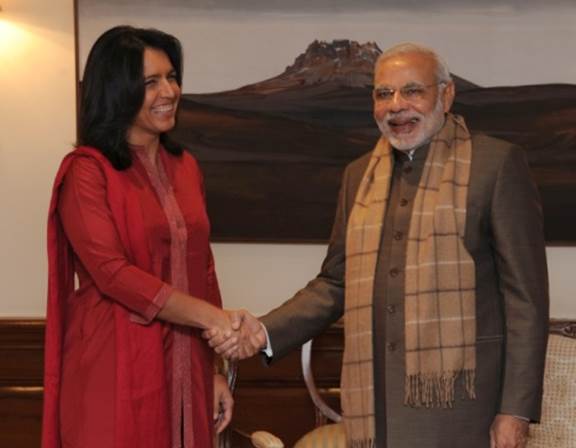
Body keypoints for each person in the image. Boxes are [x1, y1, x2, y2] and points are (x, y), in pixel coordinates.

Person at [208, 43, 550, 448]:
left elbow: (525, 299)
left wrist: (515, 411)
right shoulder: (358, 177)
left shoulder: (496, 165)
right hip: (375, 405)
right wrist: (264, 331)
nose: (396, 106)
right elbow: (335, 283)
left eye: (412, 91)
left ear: (446, 94)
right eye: (383, 94)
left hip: (464, 410)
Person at [43, 26, 240, 448]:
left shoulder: (186, 166)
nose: (168, 91)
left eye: (171, 77)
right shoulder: (87, 171)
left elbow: (202, 266)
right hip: (115, 366)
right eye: (150, 82)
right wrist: (211, 318)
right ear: (117, 90)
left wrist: (214, 369)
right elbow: (113, 274)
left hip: (186, 365)